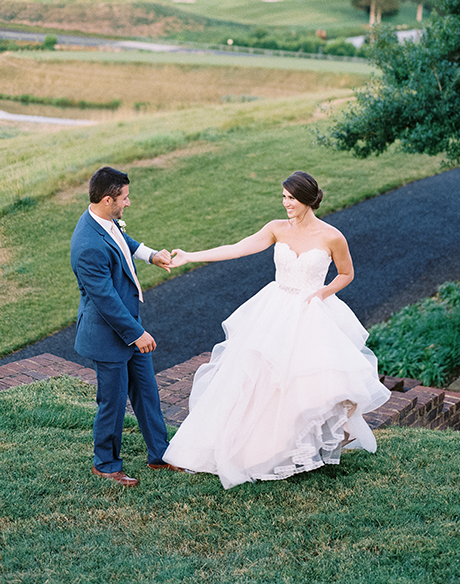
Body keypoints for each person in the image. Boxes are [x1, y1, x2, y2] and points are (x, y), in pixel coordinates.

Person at [164, 170, 391, 490]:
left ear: (309, 200)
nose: (286, 204)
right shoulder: (276, 229)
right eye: (283, 197)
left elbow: (346, 274)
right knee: (258, 378)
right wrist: (190, 256)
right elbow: (237, 248)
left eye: (292, 199)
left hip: (310, 311)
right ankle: (248, 446)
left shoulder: (332, 236)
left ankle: (304, 444)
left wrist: (321, 294)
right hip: (274, 309)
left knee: (308, 382)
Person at [71, 166, 184, 487]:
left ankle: (161, 454)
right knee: (113, 401)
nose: (129, 203)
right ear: (108, 200)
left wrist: (151, 255)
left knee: (147, 392)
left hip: (127, 326)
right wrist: (136, 333)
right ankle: (105, 463)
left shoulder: (103, 220)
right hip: (108, 335)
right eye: (125, 198)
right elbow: (105, 299)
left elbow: (123, 240)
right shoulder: (87, 246)